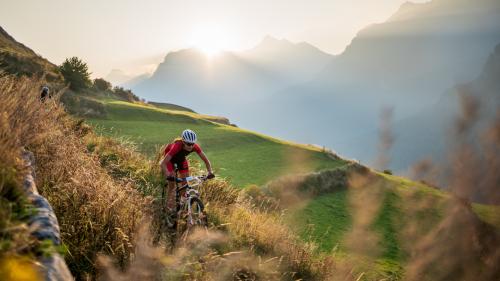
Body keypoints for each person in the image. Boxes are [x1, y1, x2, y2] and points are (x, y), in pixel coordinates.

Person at [159, 129, 214, 214]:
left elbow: (206, 161)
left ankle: (181, 204)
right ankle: (167, 208)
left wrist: (210, 172)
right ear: (183, 142)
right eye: (188, 144)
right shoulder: (176, 146)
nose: (191, 146)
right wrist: (168, 175)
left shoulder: (195, 146)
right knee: (172, 184)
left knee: (186, 182)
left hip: (181, 159)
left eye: (192, 144)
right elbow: (162, 163)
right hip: (170, 160)